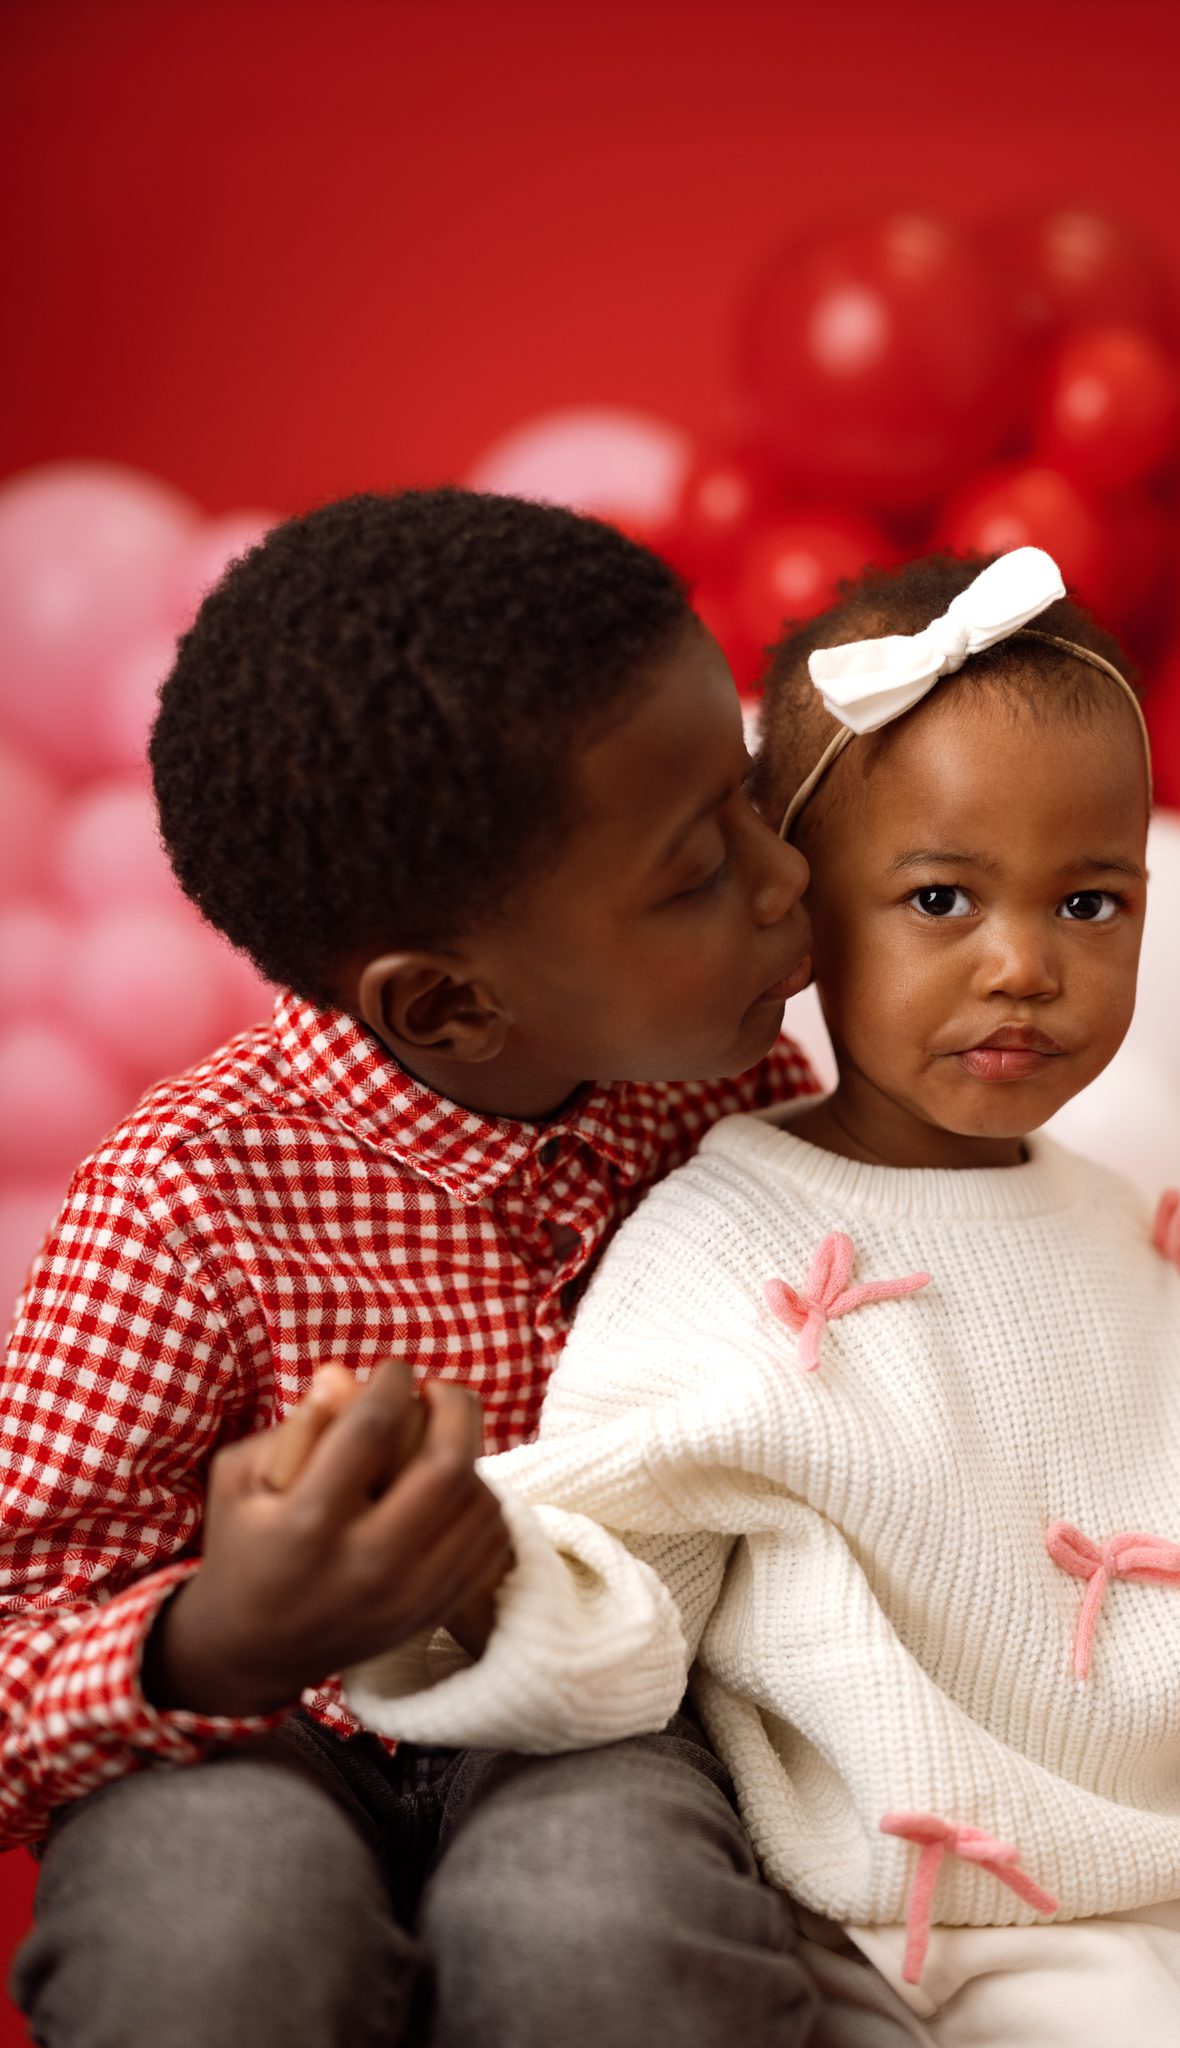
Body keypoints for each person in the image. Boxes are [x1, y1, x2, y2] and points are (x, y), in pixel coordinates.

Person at [342, 547, 1180, 2046]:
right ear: (800, 913)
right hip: (981, 1924)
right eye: (940, 897)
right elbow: (617, 1573)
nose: (1023, 966)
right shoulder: (732, 1238)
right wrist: (458, 1572)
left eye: (1090, 902)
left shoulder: (1106, 1211)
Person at [1, 489, 827, 2047]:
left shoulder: (741, 1095)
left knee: (597, 1928)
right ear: (447, 1009)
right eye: (691, 873)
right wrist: (215, 1637)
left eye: (746, 793)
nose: (782, 874)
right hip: (251, 1729)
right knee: (212, 1930)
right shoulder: (182, 1199)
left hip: (593, 1702)